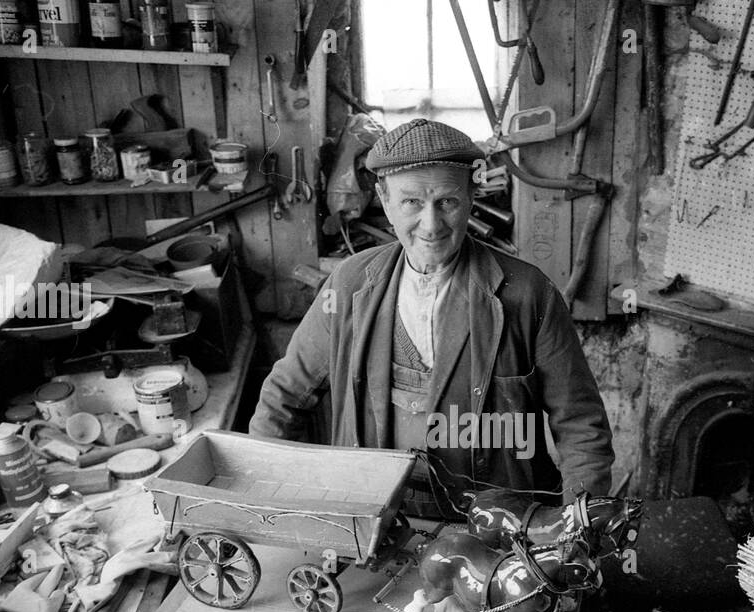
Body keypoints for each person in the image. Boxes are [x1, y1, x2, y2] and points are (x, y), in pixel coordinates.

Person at [248, 118, 614, 518]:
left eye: (447, 201)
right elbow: (284, 395)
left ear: (472, 196)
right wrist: (268, 503)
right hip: (378, 521)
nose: (431, 224)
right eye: (411, 203)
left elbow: (581, 426)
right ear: (384, 201)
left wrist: (578, 527)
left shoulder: (528, 294)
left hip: (501, 525)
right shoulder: (349, 284)